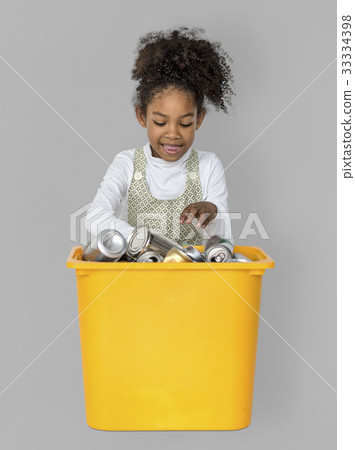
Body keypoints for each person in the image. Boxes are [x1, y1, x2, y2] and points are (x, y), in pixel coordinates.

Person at [85, 27, 236, 246]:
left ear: (199, 119)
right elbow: (95, 217)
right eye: (160, 122)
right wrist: (145, 241)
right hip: (140, 277)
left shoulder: (208, 166)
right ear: (142, 116)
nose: (173, 133)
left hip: (194, 280)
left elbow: (222, 242)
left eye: (185, 123)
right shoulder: (127, 164)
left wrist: (213, 213)